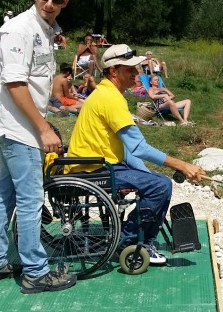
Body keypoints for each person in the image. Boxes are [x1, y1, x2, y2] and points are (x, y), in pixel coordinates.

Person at [0, 0, 77, 294]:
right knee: (31, 199)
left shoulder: (45, 30)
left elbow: (35, 83)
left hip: (19, 126)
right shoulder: (20, 29)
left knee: (6, 195)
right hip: (18, 128)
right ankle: (35, 270)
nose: (49, 3)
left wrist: (47, 119)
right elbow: (15, 84)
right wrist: (43, 128)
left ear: (64, 3)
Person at [65, 44, 207, 264]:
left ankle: (140, 238)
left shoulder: (107, 93)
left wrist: (147, 173)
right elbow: (139, 147)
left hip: (98, 164)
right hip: (93, 169)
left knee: (157, 181)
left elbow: (127, 148)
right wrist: (181, 165)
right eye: (130, 69)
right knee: (160, 186)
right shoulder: (110, 98)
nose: (137, 74)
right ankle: (129, 240)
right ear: (114, 71)